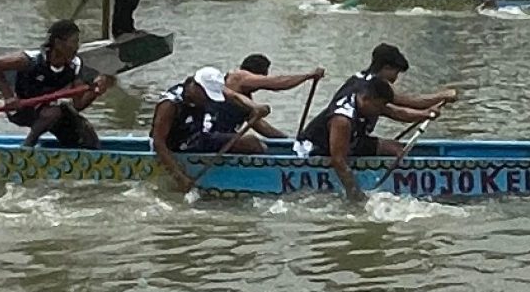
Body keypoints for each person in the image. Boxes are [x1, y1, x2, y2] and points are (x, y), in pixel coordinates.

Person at [301, 43, 453, 196]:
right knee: (390, 150)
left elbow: (394, 111)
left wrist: (425, 114)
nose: (395, 78)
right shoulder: (343, 118)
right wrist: (355, 195)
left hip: (353, 138)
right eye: (396, 72)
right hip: (319, 148)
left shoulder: (370, 92)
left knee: (396, 149)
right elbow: (338, 161)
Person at [150, 65, 288, 190]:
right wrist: (179, 177)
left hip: (198, 137)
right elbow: (158, 142)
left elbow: (234, 96)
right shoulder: (169, 104)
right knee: (251, 143)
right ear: (195, 86)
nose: (208, 100)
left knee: (254, 144)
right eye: (207, 95)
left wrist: (254, 107)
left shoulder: (201, 90)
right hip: (175, 146)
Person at [0, 18, 114, 149]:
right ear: (58, 43)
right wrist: (9, 97)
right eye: (74, 42)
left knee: (86, 135)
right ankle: (27, 147)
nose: (77, 47)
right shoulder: (31, 60)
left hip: (48, 110)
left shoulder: (75, 66)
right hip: (21, 109)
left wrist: (95, 91)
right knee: (54, 112)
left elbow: (78, 104)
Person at [225, 51, 325, 106]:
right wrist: (308, 76)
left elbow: (262, 127)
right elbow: (277, 82)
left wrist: (287, 140)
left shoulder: (246, 99)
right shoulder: (239, 77)